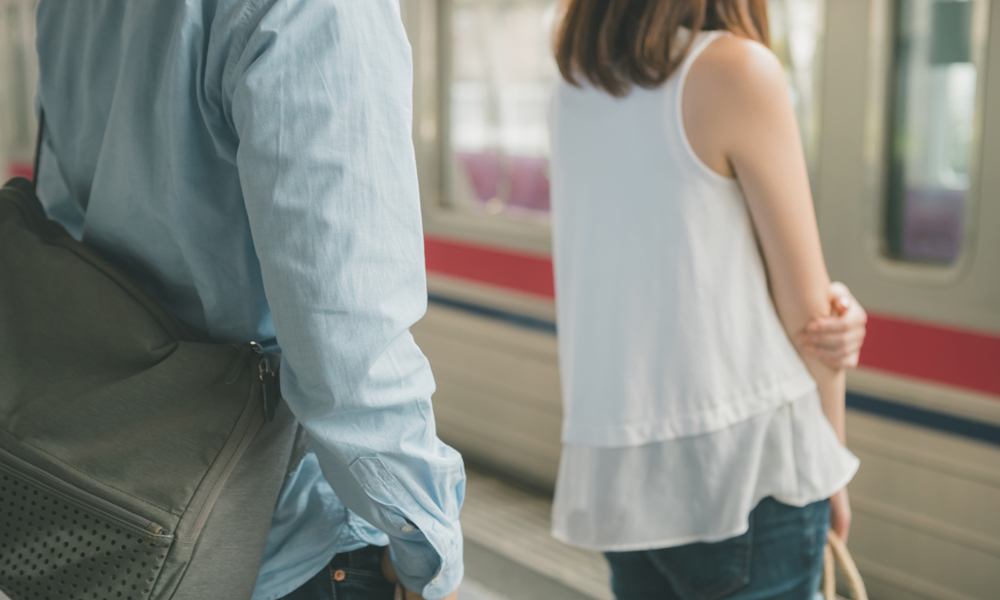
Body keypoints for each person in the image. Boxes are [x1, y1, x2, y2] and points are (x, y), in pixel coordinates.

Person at [32, 2, 463, 599]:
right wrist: (427, 552)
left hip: (114, 509)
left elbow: (61, 228)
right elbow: (344, 334)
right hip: (277, 539)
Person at [548, 1, 866, 598]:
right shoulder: (738, 71)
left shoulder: (575, 83)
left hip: (623, 477)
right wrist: (830, 466)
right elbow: (813, 319)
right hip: (746, 476)